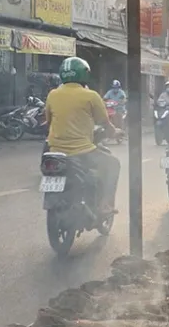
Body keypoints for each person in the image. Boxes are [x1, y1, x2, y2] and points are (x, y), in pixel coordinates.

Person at [44, 56, 121, 214]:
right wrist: (116, 132)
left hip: (55, 152)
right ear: (84, 74)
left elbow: (49, 121)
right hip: (81, 152)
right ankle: (105, 204)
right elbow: (105, 124)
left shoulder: (52, 94)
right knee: (113, 164)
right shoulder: (91, 96)